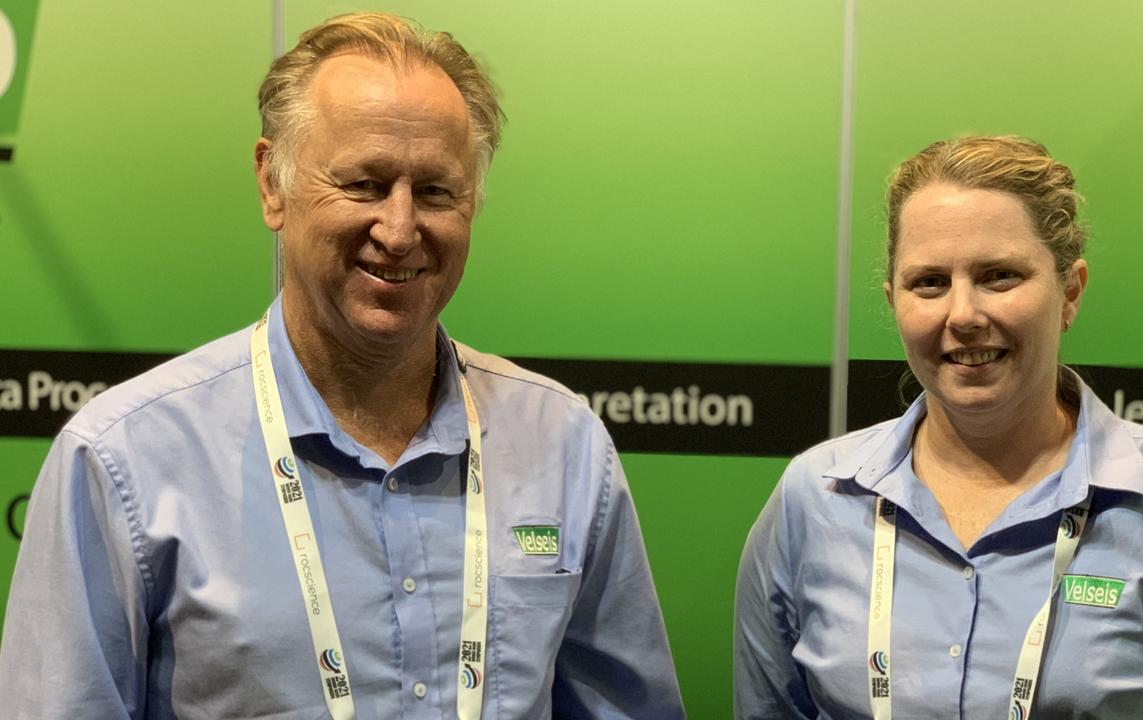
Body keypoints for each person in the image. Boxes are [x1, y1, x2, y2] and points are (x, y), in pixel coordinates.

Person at [0, 13, 684, 719]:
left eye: (436, 191)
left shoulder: (563, 446)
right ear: (274, 183)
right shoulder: (125, 461)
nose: (398, 228)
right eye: (363, 183)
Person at [734, 135, 1143, 719]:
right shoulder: (813, 499)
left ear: (1069, 292)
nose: (963, 315)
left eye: (998, 276)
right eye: (930, 282)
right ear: (894, 300)